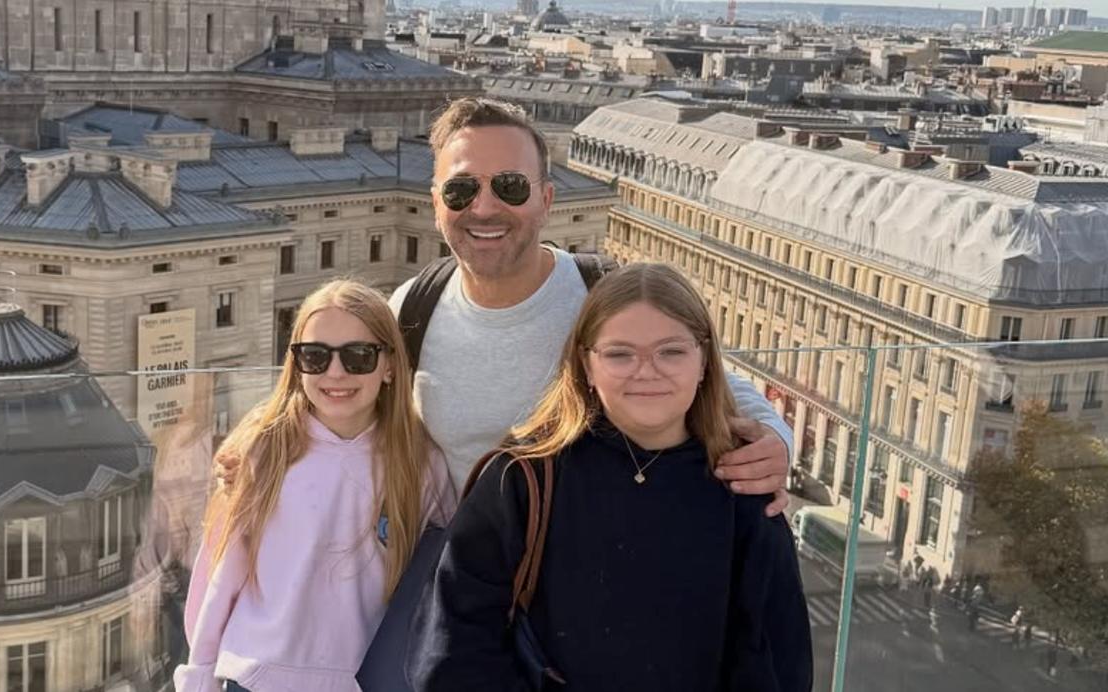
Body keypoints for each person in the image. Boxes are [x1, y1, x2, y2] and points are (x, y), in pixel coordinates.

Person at [218, 97, 794, 510]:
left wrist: (775, 442)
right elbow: (329, 379)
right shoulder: (415, 306)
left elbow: (713, 379)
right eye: (462, 189)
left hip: (593, 585)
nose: (485, 208)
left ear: (546, 199)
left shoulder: (601, 295)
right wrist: (254, 442)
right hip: (469, 587)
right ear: (437, 205)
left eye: (510, 187)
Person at [408, 263, 813, 691]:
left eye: (671, 352)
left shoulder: (744, 487)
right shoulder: (524, 478)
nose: (647, 371)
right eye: (620, 354)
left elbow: (776, 663)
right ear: (587, 365)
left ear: (704, 363)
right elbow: (452, 646)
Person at [175, 281, 455, 692]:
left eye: (358, 356)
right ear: (296, 365)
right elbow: (221, 574)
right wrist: (200, 672)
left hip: (365, 680)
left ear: (390, 365)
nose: (335, 372)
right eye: (315, 356)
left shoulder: (419, 462)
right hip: (255, 676)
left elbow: (438, 579)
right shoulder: (265, 449)